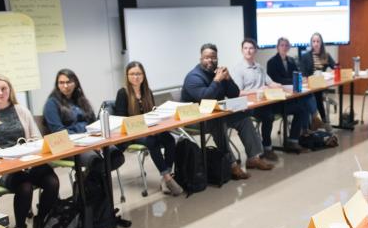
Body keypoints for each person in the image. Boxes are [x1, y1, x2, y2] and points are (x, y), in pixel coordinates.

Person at [0, 74, 59, 228]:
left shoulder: (21, 110)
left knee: (52, 182)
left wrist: (26, 151)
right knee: (25, 187)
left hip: (29, 162)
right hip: (3, 168)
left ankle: (41, 220)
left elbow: (37, 139)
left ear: (10, 90)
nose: (0, 93)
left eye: (4, 88)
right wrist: (5, 155)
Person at [181, 43, 273, 179]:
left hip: (216, 114)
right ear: (201, 58)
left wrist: (228, 79)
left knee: (243, 117)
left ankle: (253, 158)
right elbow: (205, 97)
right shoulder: (193, 77)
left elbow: (234, 94)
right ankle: (231, 165)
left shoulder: (219, 73)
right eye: (206, 57)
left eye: (213, 57)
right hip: (194, 119)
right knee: (217, 123)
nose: (210, 60)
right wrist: (217, 80)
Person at [43, 68, 127, 208]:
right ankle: (93, 200)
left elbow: (93, 123)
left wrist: (96, 137)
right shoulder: (52, 104)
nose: (65, 85)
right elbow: (58, 132)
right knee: (96, 162)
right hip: (70, 147)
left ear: (75, 83)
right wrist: (83, 134)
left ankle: (87, 187)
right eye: (61, 82)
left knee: (116, 156)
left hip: (91, 140)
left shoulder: (81, 100)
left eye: (68, 82)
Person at [114, 61, 183, 196]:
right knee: (152, 141)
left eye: (139, 74)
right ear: (127, 76)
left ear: (143, 75)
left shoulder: (147, 91)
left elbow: (152, 112)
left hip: (150, 129)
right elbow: (121, 119)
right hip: (132, 133)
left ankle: (165, 176)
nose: (136, 77)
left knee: (170, 139)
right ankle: (168, 178)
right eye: (132, 74)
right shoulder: (123, 93)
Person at [231, 38, 309, 156]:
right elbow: (238, 92)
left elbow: (270, 83)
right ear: (242, 50)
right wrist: (257, 90)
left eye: (251, 48)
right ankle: (267, 147)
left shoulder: (259, 67)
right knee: (268, 116)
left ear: (255, 50)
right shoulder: (238, 69)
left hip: (266, 102)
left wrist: (279, 86)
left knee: (300, 109)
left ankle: (293, 141)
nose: (248, 51)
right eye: (245, 48)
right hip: (252, 106)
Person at [298, 32, 336, 131]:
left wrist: (333, 70)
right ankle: (322, 121)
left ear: (321, 43)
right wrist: (307, 78)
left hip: (321, 85)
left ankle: (317, 121)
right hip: (310, 85)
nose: (316, 43)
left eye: (318, 41)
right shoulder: (306, 56)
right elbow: (303, 73)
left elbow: (335, 67)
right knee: (316, 95)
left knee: (317, 94)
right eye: (314, 41)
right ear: (311, 43)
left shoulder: (326, 55)